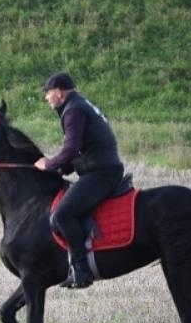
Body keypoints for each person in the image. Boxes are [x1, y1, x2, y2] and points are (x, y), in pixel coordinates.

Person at [34, 72, 126, 289]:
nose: (47, 97)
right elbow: (81, 149)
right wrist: (63, 166)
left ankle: (82, 271)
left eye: (48, 93)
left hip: (102, 173)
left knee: (62, 216)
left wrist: (49, 164)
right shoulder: (78, 105)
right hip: (102, 169)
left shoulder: (73, 110)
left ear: (59, 91)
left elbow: (71, 149)